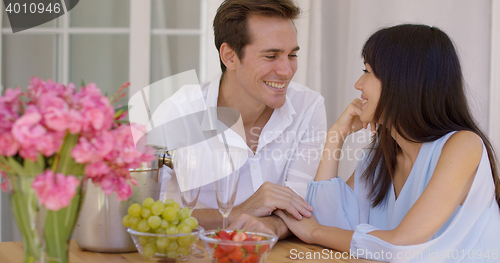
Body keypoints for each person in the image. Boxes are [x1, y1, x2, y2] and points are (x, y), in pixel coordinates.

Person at [275, 24, 500, 261]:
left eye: (368, 71)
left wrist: (314, 232)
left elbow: (398, 245)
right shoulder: (382, 156)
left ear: (404, 81)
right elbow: (327, 221)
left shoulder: (463, 146)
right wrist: (336, 135)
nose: (358, 84)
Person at [160, 0, 327, 238]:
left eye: (292, 55)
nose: (287, 70)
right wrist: (241, 212)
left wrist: (276, 226)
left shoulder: (308, 107)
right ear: (229, 56)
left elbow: (300, 205)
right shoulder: (180, 112)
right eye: (271, 56)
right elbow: (149, 214)